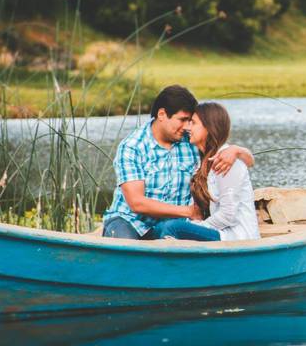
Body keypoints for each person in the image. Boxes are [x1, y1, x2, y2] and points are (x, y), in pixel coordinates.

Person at [102, 85, 254, 240]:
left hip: (171, 226)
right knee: (127, 247)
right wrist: (189, 211)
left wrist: (237, 150)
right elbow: (136, 203)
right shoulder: (133, 147)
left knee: (171, 234)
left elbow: (238, 159)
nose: (187, 126)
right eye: (182, 120)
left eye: (190, 121)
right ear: (162, 114)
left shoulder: (191, 141)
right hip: (131, 221)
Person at [152, 102, 260, 241]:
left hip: (234, 236)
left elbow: (228, 215)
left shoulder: (226, 162)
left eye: (193, 123)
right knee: (159, 228)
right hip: (215, 230)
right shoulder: (202, 161)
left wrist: (200, 226)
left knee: (173, 228)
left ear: (209, 128)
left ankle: (171, 262)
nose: (187, 127)